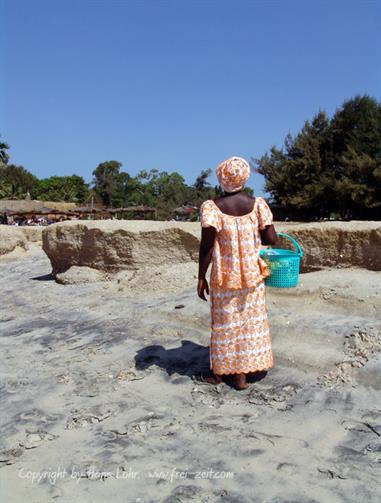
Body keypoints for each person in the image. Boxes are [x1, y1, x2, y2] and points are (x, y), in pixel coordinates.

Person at [197, 156, 277, 390]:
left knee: (225, 322)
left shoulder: (212, 208)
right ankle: (243, 372)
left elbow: (207, 246)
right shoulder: (258, 204)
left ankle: (223, 373)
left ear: (222, 178)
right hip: (252, 275)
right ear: (244, 177)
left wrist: (201, 276)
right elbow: (271, 238)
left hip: (224, 276)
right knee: (249, 321)